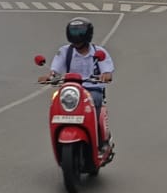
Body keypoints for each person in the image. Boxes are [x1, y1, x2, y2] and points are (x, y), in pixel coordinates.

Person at [37, 17, 115, 153]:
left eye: (79, 33)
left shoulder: (98, 52)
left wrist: (106, 75)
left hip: (92, 90)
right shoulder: (65, 51)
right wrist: (50, 76)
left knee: (96, 101)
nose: (76, 37)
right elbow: (55, 69)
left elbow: (107, 71)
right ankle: (58, 135)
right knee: (56, 102)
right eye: (73, 32)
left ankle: (100, 141)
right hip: (71, 90)